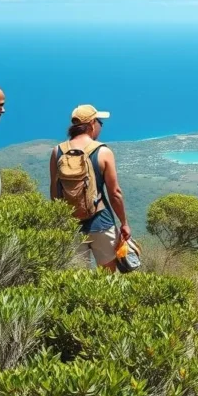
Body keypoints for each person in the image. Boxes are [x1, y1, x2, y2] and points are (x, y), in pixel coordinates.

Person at [49, 104, 131, 272]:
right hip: (101, 221)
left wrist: (60, 220)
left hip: (71, 225)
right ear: (92, 123)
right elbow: (115, 193)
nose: (100, 125)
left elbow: (54, 191)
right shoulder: (103, 151)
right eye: (99, 121)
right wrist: (124, 223)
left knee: (77, 279)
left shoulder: (57, 151)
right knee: (107, 278)